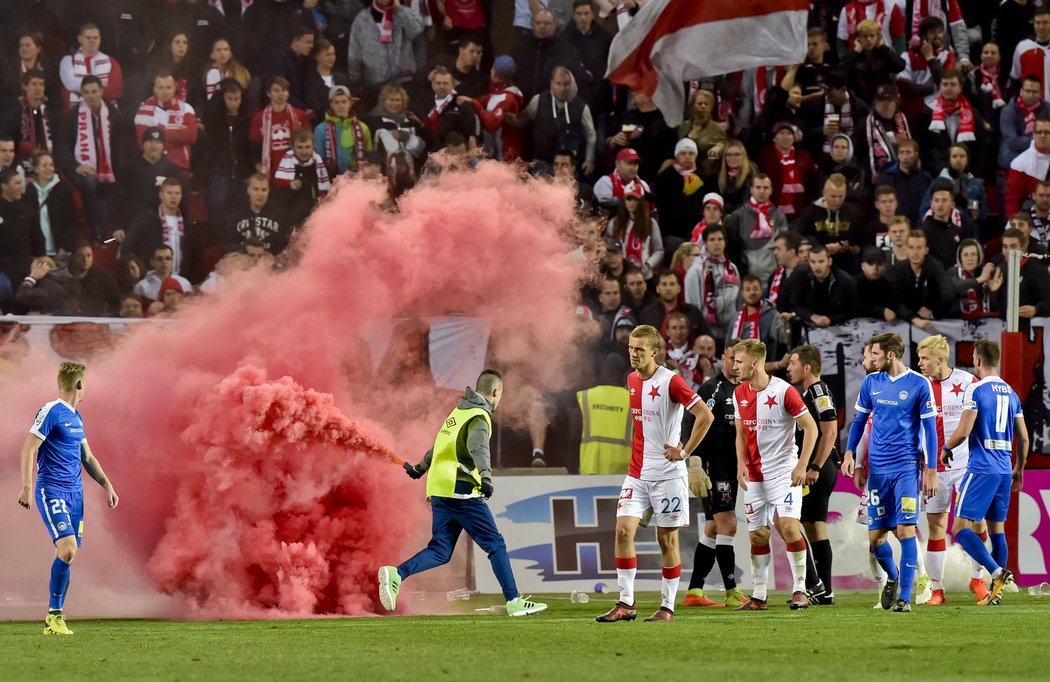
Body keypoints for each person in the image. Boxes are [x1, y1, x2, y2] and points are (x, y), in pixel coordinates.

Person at [378, 370, 547, 617]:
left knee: (440, 551)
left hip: (440, 488)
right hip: (462, 489)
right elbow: (478, 448)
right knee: (495, 544)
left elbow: (439, 445)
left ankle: (397, 573)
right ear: (496, 392)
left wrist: (420, 468)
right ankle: (514, 601)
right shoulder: (479, 416)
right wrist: (486, 477)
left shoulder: (459, 413)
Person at [595, 325, 714, 622]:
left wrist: (684, 452)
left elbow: (705, 415)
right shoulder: (631, 379)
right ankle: (626, 604)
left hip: (668, 475)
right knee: (623, 530)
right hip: (637, 474)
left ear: (655, 351)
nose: (633, 354)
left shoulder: (672, 382)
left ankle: (667, 607)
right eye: (630, 348)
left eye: (639, 349)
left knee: (666, 540)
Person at [17, 361, 119, 636]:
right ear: (79, 384)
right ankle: (55, 615)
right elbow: (28, 448)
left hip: (76, 495)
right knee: (68, 549)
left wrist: (107, 484)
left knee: (67, 555)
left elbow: (87, 457)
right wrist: (27, 486)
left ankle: (54, 616)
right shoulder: (51, 410)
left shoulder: (76, 417)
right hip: (51, 489)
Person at [841, 332, 939, 612]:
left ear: (890, 355)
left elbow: (930, 431)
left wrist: (930, 470)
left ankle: (905, 598)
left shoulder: (919, 384)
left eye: (874, 354)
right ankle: (893, 578)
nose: (869, 360)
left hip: (906, 468)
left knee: (907, 530)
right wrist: (850, 454)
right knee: (877, 539)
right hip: (878, 472)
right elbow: (859, 421)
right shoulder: (872, 382)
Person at [731, 339, 818, 611]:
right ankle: (759, 596)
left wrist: (802, 465)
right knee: (757, 536)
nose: (734, 367)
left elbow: (811, 428)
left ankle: (801, 590)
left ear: (755, 363)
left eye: (738, 361)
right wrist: (741, 464)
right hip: (755, 476)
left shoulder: (785, 391)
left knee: (790, 528)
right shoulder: (739, 393)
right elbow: (741, 433)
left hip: (784, 472)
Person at [941, 339, 1029, 606]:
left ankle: (996, 572)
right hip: (1004, 469)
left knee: (959, 528)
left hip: (981, 469)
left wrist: (946, 448)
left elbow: (965, 430)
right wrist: (1019, 469)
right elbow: (1024, 439)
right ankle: (996, 592)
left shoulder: (975, 389)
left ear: (977, 360)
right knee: (996, 530)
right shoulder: (1012, 393)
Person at [915, 334, 986, 605]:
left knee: (976, 522)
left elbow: (982, 419)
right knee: (936, 527)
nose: (920, 363)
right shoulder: (919, 385)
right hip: (934, 468)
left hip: (967, 465)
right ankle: (937, 589)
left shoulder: (969, 382)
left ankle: (977, 579)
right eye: (919, 358)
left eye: (925, 358)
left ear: (941, 359)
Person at [683, 339, 748, 609]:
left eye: (739, 360)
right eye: (730, 358)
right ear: (723, 357)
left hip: (733, 468)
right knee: (728, 524)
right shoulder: (713, 388)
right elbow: (690, 420)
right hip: (714, 467)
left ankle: (695, 591)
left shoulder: (746, 390)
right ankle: (732, 590)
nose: (734, 365)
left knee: (712, 528)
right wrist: (695, 463)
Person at [785, 345, 840, 605]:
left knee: (808, 525)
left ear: (807, 368)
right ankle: (824, 590)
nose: (788, 367)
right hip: (819, 465)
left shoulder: (818, 390)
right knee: (813, 525)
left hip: (819, 467)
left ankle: (820, 587)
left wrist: (814, 467)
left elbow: (829, 431)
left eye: (793, 363)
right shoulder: (808, 392)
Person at [346, 0, 425, 95]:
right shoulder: (361, 20)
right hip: (375, 86)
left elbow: (416, 29)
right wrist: (356, 83)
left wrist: (398, 9)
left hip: (404, 82)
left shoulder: (403, 13)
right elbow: (354, 55)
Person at [724, 174, 786, 283]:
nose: (762, 191)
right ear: (751, 190)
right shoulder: (738, 216)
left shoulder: (779, 217)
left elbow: (784, 249)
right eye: (758, 187)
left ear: (771, 190)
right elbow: (732, 249)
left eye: (765, 188)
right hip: (745, 280)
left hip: (772, 280)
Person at [461, 55, 524, 162]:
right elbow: (482, 100)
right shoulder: (497, 92)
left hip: (507, 156)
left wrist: (475, 104)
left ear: (495, 72)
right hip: (495, 152)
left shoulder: (508, 97)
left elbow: (491, 125)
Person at [134, 71, 199, 172]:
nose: (165, 92)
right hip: (152, 166)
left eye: (168, 87)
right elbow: (142, 142)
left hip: (179, 166)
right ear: (154, 89)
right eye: (161, 88)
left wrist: (159, 132)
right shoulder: (144, 109)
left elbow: (191, 137)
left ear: (175, 87)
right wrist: (178, 135)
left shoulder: (186, 109)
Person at [684, 224, 740, 341]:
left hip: (731, 333)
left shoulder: (732, 268)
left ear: (725, 242)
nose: (717, 243)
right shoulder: (696, 271)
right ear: (705, 243)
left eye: (720, 239)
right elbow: (693, 309)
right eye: (712, 240)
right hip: (707, 335)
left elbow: (738, 300)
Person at [785, 243, 860, 327]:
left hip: (837, 325)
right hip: (806, 323)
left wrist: (830, 319)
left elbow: (852, 311)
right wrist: (812, 316)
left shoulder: (846, 281)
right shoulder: (799, 275)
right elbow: (794, 304)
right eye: (813, 262)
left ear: (830, 261)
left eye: (821, 262)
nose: (817, 267)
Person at [885, 230, 949, 330]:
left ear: (926, 250)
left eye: (919, 248)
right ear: (906, 249)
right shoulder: (897, 270)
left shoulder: (935, 267)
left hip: (933, 324)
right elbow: (895, 301)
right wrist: (914, 319)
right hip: (906, 322)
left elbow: (947, 294)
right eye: (911, 247)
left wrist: (934, 313)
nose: (915, 252)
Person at [250, 77, 311, 177]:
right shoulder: (259, 118)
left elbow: (309, 143)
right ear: (268, 93)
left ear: (288, 93)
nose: (280, 94)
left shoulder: (300, 116)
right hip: (271, 171)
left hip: (296, 169)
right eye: (276, 90)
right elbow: (254, 147)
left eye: (284, 90)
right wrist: (260, 168)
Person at [273, 128, 332, 228]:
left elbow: (327, 191)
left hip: (315, 215)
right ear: (292, 147)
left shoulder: (320, 164)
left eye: (308, 147)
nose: (304, 151)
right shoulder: (285, 164)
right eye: (300, 147)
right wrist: (288, 185)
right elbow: (275, 191)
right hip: (290, 215)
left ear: (313, 146)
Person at [23, 152, 76, 259]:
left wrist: (66, 247)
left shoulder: (63, 188)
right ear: (35, 168)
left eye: (51, 165)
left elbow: (72, 221)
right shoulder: (30, 190)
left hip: (60, 251)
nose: (49, 168)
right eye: (44, 165)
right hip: (38, 252)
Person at [59, 23, 124, 107]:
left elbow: (115, 91)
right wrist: (101, 85)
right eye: (88, 38)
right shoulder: (68, 61)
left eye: (95, 38)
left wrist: (81, 88)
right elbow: (70, 85)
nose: (92, 41)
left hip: (107, 114)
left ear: (100, 39)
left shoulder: (111, 62)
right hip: (75, 115)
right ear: (80, 39)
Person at [606, 184, 663, 280]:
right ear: (624, 201)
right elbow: (608, 247)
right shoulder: (614, 223)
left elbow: (659, 250)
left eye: (635, 199)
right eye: (628, 199)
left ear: (641, 202)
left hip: (644, 275)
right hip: (620, 274)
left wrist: (648, 264)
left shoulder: (651, 223)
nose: (631, 203)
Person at [654, 138, 705, 240]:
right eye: (683, 153)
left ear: (696, 156)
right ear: (677, 156)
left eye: (691, 153)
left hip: (696, 230)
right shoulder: (664, 177)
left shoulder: (703, 177)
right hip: (671, 231)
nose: (687, 156)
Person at [998, 75, 1049, 171]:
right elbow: (1013, 142)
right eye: (1028, 91)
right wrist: (1039, 140)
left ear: (1040, 93)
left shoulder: (1047, 108)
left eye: (1035, 92)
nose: (1031, 95)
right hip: (1013, 153)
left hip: (1040, 151)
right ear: (1021, 91)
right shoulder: (1008, 111)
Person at [876, 138, 932, 225]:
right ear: (898, 156)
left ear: (916, 155)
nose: (905, 156)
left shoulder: (925, 177)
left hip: (919, 226)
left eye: (908, 152)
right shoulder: (886, 177)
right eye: (901, 152)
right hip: (895, 226)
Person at [1005, 117, 1050, 217]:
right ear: (1033, 134)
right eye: (1039, 132)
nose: (1043, 135)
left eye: (1047, 132)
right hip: (1031, 219)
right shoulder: (1020, 163)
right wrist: (1014, 226)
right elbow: (1012, 200)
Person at [855, 246, 898, 322]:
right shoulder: (851, 284)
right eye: (870, 263)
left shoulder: (887, 286)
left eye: (880, 263)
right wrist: (881, 311)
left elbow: (895, 304)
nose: (875, 267)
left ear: (885, 267)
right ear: (862, 266)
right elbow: (853, 307)